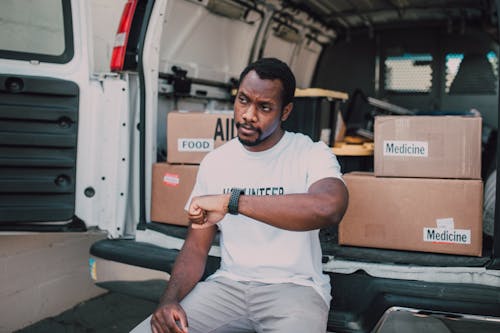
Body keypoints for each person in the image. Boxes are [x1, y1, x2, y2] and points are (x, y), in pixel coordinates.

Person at [132, 57, 348, 333]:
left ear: (285, 111)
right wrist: (169, 300)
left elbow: (329, 208)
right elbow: (196, 247)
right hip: (227, 288)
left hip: (295, 291)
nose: (248, 114)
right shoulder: (216, 161)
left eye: (264, 107)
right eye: (243, 100)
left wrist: (231, 202)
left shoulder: (310, 153)